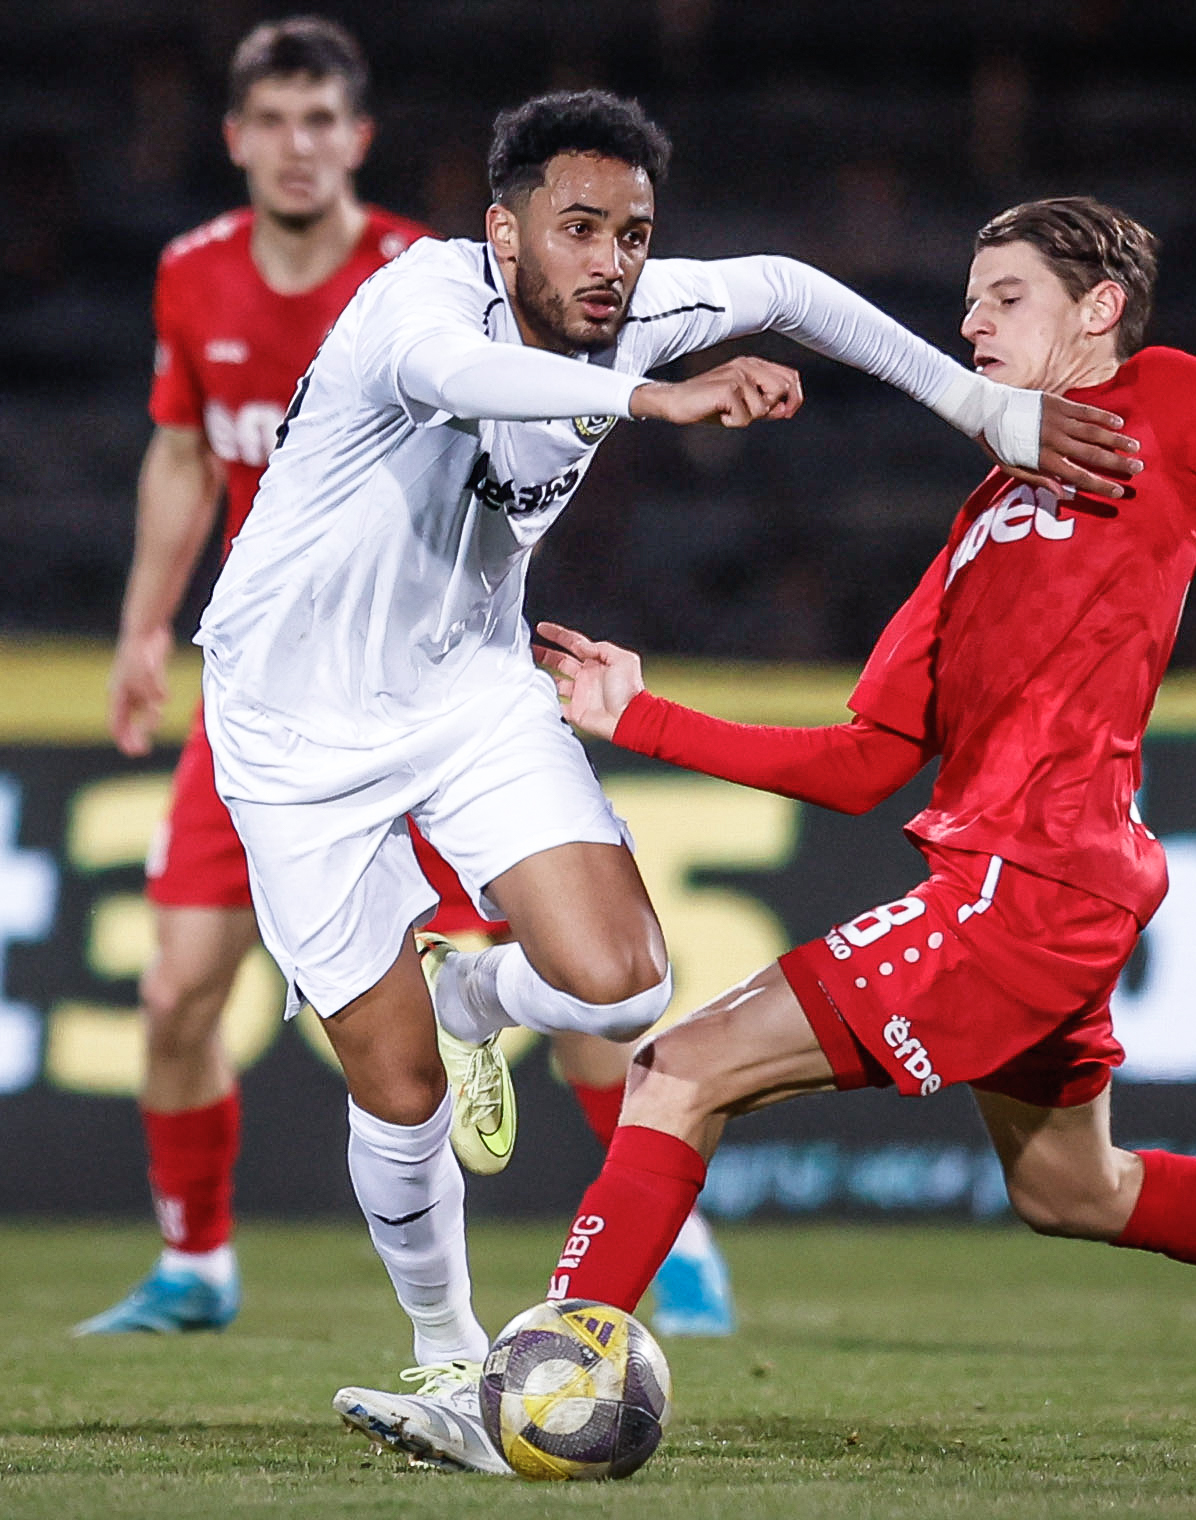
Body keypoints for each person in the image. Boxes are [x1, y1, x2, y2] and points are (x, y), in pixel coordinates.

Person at [361, 195, 1196, 1474]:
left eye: (1004, 296)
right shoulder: (982, 517)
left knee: (676, 1067)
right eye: (967, 302)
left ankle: (532, 1388)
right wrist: (641, 717)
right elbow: (863, 762)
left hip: (1028, 881)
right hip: (1042, 885)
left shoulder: (1165, 400)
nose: (969, 324)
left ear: (1098, 308)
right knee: (1072, 1188)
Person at [193, 86, 1137, 1459]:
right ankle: (449, 1353)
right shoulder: (418, 305)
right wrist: (655, 397)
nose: (611, 262)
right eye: (577, 228)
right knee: (395, 1092)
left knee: (624, 985)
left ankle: (471, 991)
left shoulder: (635, 308)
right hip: (291, 721)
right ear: (502, 233)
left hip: (470, 683)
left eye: (632, 234)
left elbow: (788, 289)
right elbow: (467, 381)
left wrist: (979, 405)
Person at [80, 22, 739, 1337]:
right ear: (237, 140)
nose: (298, 145)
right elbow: (182, 454)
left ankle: (671, 1239)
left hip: (423, 682)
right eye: (275, 121)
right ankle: (195, 1264)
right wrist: (144, 624)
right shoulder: (193, 275)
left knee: (577, 970)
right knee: (178, 987)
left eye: (322, 119)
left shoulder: (432, 275)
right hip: (271, 691)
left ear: (357, 138)